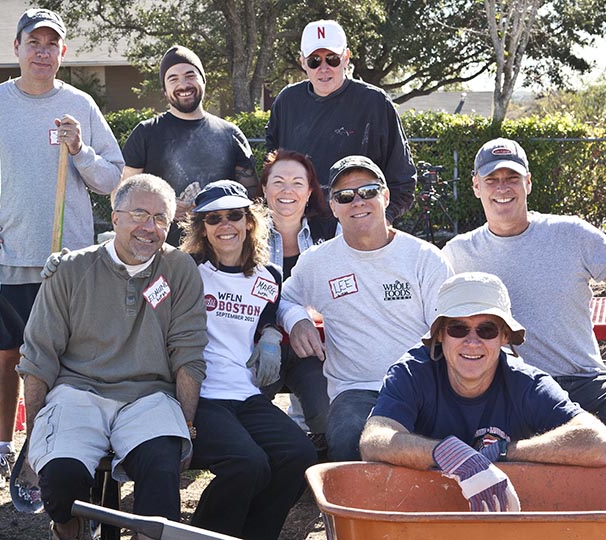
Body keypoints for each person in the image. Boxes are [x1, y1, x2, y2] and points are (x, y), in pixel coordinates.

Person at [442, 137, 606, 464]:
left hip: (582, 382)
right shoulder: (456, 254)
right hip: (504, 390)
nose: (502, 187)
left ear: (527, 182)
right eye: (491, 179)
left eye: (512, 177)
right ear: (476, 186)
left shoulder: (571, 235)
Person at [0, 8, 123, 494]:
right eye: (33, 42)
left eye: (51, 43)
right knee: (8, 352)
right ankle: (3, 445)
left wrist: (80, 150)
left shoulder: (79, 106)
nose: (42, 51)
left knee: (63, 358)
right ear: (16, 48)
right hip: (7, 255)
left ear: (63, 52)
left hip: (67, 263)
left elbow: (113, 181)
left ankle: (51, 447)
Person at [17, 174, 207, 540]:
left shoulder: (179, 269)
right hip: (78, 393)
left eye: (160, 218)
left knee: (161, 477)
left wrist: (186, 425)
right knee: (60, 482)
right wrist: (34, 433)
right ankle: (70, 530)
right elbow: (39, 355)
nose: (149, 228)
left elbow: (188, 352)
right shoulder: (71, 269)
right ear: (115, 216)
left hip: (149, 396)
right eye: (138, 214)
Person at [360, 272, 606, 512]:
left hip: (502, 513)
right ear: (440, 335)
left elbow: (598, 444)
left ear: (504, 337)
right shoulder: (412, 373)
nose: (472, 341)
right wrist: (448, 453)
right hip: (423, 509)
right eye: (458, 328)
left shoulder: (526, 383)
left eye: (487, 330)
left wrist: (504, 452)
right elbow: (374, 440)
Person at [279, 155, 452, 461]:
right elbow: (285, 298)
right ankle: (344, 511)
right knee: (348, 441)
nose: (358, 201)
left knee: (440, 446)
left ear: (385, 197)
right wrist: (296, 321)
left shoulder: (424, 258)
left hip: (421, 384)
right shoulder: (318, 262)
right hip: (355, 389)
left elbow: (445, 331)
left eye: (368, 191)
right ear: (333, 207)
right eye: (345, 196)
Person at [179, 180, 316, 540]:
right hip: (202, 395)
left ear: (249, 221)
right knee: (248, 464)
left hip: (247, 393)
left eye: (234, 215)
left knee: (298, 454)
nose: (225, 225)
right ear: (202, 229)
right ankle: (206, 535)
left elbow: (267, 318)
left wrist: (271, 334)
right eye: (213, 219)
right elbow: (135, 268)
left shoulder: (268, 276)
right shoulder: (185, 269)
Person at [265, 19, 416, 221]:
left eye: (332, 59)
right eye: (314, 61)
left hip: (360, 225)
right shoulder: (286, 102)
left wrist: (381, 221)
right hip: (300, 228)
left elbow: (402, 179)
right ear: (303, 62)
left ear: (346, 57)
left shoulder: (375, 103)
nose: (324, 68)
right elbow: (272, 171)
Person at [122, 45, 257, 244]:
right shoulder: (146, 133)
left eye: (190, 75)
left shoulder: (230, 134)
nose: (183, 85)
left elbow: (251, 198)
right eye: (173, 79)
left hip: (220, 254)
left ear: (203, 79)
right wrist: (164, 206)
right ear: (164, 89)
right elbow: (123, 195)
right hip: (161, 254)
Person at [257, 150, 338, 448]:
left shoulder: (330, 232)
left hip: (316, 350)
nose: (287, 190)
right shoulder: (246, 234)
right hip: (258, 346)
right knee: (247, 414)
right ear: (264, 189)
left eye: (296, 182)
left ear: (309, 191)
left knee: (328, 417)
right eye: (277, 182)